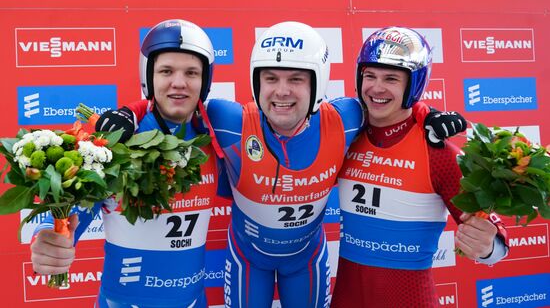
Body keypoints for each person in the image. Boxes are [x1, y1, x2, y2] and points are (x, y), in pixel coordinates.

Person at [116, 21, 469, 307]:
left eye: (296, 79)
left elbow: (389, 108)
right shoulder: (228, 119)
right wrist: (128, 112)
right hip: (247, 258)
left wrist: (427, 114)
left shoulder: (346, 118)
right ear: (257, 82)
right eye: (271, 78)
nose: (282, 91)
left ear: (317, 83)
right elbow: (172, 103)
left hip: (306, 259)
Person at [30, 19, 224, 308]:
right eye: (166, 71)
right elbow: (72, 208)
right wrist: (48, 235)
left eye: (192, 72)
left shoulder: (215, 134)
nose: (179, 82)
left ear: (204, 81)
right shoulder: (116, 140)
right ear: (149, 77)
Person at [331, 27, 509, 308]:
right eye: (370, 76)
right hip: (346, 298)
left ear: (414, 84)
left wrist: (487, 247)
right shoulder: (345, 135)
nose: (376, 88)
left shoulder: (437, 149)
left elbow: (495, 241)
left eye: (391, 78)